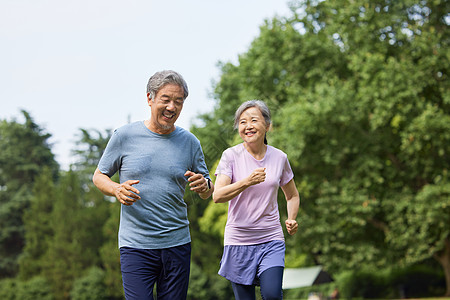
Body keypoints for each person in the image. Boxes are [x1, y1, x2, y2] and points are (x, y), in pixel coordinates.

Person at [92, 70, 214, 300]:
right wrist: (116, 189)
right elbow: (99, 176)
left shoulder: (190, 142)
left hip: (177, 243)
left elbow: (207, 187)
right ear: (150, 98)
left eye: (178, 102)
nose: (172, 107)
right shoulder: (124, 136)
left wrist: (205, 186)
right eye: (166, 100)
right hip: (135, 244)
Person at [213, 100, 300, 300]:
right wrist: (246, 182)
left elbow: (292, 195)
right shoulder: (231, 156)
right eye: (242, 122)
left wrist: (292, 217)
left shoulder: (279, 158)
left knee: (272, 295)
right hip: (238, 240)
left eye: (254, 120)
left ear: (267, 126)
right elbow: (217, 195)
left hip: (271, 238)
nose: (248, 126)